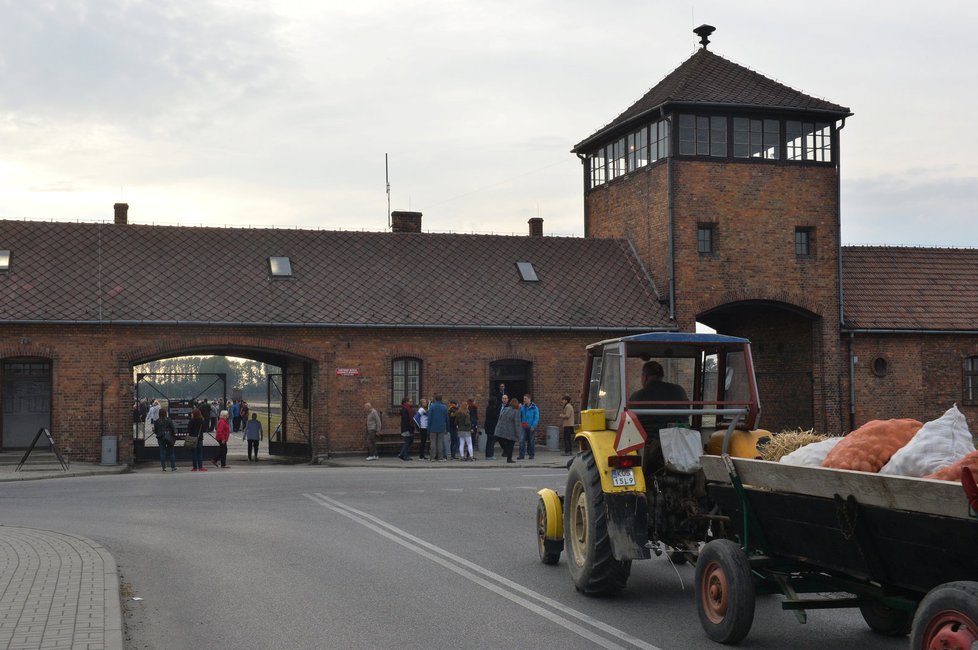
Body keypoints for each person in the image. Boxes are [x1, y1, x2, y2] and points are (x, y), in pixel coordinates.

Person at [628, 360, 690, 431]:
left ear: (646, 376)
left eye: (642, 374)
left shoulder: (637, 396)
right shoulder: (679, 390)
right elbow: (687, 412)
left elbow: (630, 418)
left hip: (650, 437)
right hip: (680, 435)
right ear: (661, 376)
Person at [494, 398, 522, 463]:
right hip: (511, 432)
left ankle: (507, 454)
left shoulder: (506, 409)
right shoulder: (516, 411)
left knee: (505, 444)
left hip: (502, 430)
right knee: (511, 445)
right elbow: (517, 424)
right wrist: (519, 435)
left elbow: (500, 418)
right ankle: (509, 459)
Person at [427, 395, 450, 462]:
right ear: (441, 399)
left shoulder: (432, 407)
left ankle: (432, 457)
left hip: (433, 427)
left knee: (433, 442)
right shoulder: (444, 407)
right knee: (440, 442)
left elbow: (429, 418)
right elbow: (447, 419)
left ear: (435, 399)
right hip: (441, 427)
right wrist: (448, 429)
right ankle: (440, 457)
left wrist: (428, 428)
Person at [518, 394, 540, 460]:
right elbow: (519, 415)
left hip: (531, 426)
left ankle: (531, 454)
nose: (524, 400)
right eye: (524, 399)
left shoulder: (534, 407)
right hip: (524, 425)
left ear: (529, 399)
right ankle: (521, 455)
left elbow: (536, 417)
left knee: (531, 441)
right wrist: (519, 408)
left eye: (525, 399)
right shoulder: (522, 407)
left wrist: (533, 425)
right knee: (522, 440)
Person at [188, 407, 207, 471]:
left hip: (192, 438)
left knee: (194, 453)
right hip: (200, 438)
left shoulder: (191, 421)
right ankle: (201, 466)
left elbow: (189, 430)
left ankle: (194, 467)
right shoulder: (202, 420)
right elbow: (204, 429)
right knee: (199, 453)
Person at [398, 397, 415, 461]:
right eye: (410, 401)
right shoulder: (405, 409)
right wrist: (409, 429)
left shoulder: (409, 409)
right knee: (407, 442)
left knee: (409, 441)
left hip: (409, 428)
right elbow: (405, 421)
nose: (411, 403)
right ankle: (404, 456)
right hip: (407, 428)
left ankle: (402, 454)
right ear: (406, 402)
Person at [483, 394, 500, 460]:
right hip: (492, 427)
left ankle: (487, 455)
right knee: (491, 442)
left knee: (489, 441)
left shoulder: (488, 408)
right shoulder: (493, 408)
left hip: (488, 427)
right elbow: (496, 417)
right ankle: (490, 455)